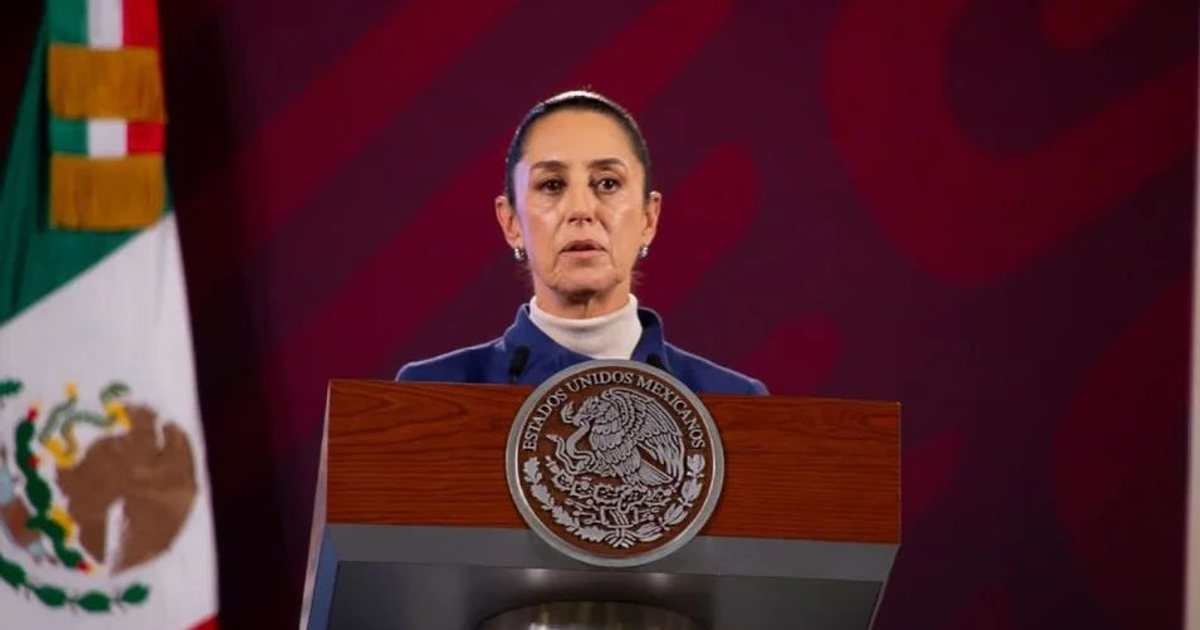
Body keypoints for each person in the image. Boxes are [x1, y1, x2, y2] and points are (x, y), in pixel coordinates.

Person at [396, 90, 766, 395]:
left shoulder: (733, 400)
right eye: (552, 185)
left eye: (607, 183)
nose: (580, 210)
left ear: (649, 218)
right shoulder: (432, 391)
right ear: (511, 222)